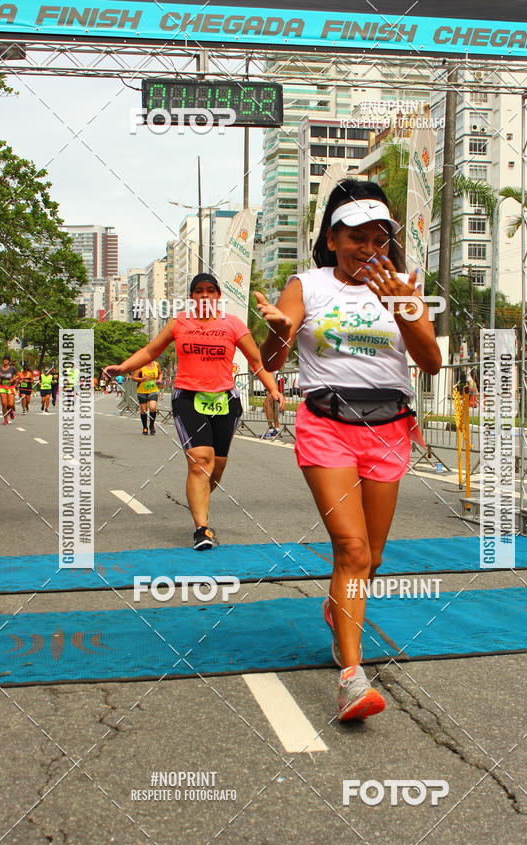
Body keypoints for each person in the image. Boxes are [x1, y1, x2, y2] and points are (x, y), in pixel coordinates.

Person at [257, 179, 441, 722]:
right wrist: (280, 332)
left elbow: (430, 363)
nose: (368, 248)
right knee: (352, 550)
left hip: (389, 425)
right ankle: (352, 680)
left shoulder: (403, 285)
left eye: (379, 239)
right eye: (356, 237)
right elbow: (270, 360)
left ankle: (339, 611)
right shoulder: (307, 285)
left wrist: (404, 308)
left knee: (373, 557)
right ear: (332, 239)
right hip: (327, 423)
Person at [104, 272, 285, 550]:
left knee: (217, 466)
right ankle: (201, 529)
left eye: (210, 290)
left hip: (225, 400)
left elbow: (256, 360)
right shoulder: (178, 323)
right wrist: (124, 367)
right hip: (188, 397)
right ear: (191, 297)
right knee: (201, 460)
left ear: (218, 296)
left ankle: (197, 496)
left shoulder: (233, 324)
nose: (204, 295)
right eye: (198, 291)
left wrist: (273, 389)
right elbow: (151, 350)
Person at [132, 358, 162, 435]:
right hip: (142, 391)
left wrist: (160, 379)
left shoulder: (156, 364)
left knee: (152, 407)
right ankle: (145, 427)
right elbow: (134, 377)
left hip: (153, 390)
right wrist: (142, 379)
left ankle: (151, 425)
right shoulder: (140, 366)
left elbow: (160, 373)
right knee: (143, 410)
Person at [0, 356, 17, 424]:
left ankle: (10, 411)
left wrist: (13, 379)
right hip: (2, 387)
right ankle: (6, 419)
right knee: (4, 404)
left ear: (9, 361)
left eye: (7, 360)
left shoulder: (12, 368)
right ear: (3, 361)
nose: (5, 361)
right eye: (4, 360)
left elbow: (18, 375)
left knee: (10, 404)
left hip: (10, 387)